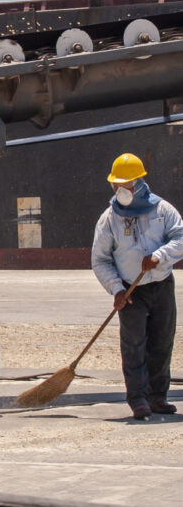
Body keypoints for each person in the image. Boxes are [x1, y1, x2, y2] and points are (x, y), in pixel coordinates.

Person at [91, 153, 183, 420]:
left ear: (139, 183)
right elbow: (100, 260)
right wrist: (117, 288)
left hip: (161, 285)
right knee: (133, 345)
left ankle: (157, 397)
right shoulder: (109, 219)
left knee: (161, 342)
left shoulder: (163, 210)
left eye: (126, 185)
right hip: (131, 292)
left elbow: (180, 237)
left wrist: (159, 256)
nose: (121, 190)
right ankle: (138, 399)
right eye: (117, 185)